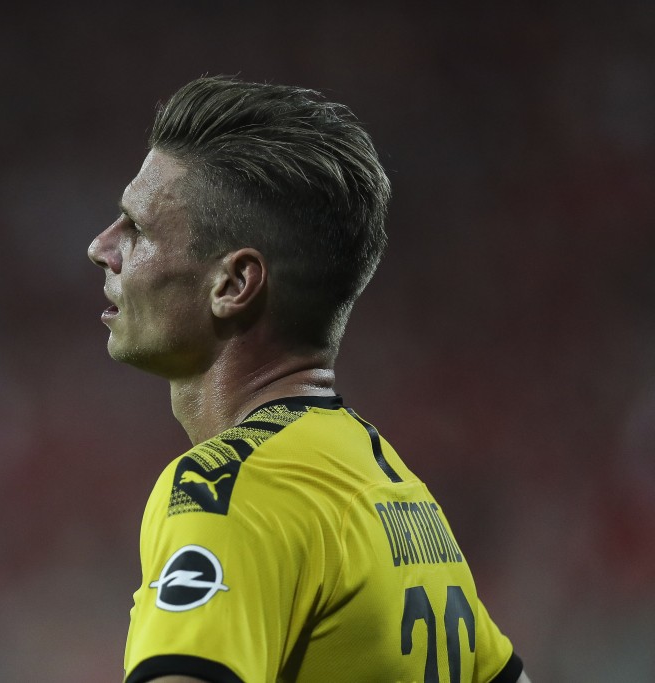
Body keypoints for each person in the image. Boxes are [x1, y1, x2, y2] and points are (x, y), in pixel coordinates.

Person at [87, 76, 529, 683]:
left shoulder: (226, 490)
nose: (101, 246)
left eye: (136, 228)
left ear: (233, 285)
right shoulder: (397, 494)